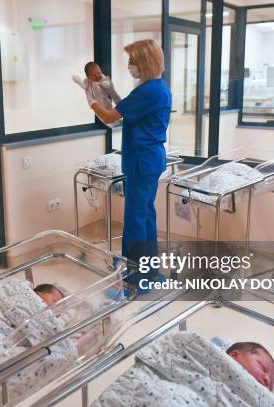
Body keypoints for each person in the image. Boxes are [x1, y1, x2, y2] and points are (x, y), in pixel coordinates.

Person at [83, 39, 171, 288]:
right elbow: (127, 114)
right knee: (146, 215)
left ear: (143, 61)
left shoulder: (147, 91)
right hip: (149, 159)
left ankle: (136, 277)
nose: (130, 64)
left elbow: (111, 115)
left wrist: (91, 100)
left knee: (135, 218)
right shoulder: (158, 87)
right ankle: (150, 270)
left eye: (132, 60)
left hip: (142, 161)